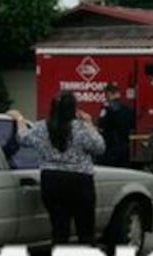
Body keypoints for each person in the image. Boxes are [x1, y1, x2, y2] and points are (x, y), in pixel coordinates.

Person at [8, 92, 105, 246]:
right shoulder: (81, 128)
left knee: (59, 229)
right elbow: (99, 147)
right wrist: (89, 123)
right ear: (73, 108)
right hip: (79, 182)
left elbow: (23, 138)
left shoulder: (41, 127)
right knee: (85, 229)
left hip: (52, 180)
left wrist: (19, 119)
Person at [98, 83, 135, 167]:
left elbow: (102, 125)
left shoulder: (106, 109)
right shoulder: (128, 109)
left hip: (111, 147)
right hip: (125, 147)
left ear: (108, 93)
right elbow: (132, 126)